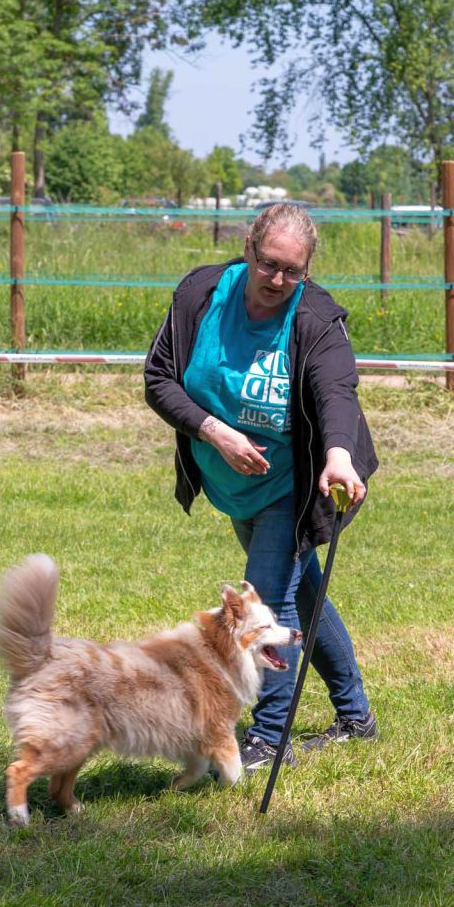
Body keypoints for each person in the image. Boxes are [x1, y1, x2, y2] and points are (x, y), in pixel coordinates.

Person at [144, 202, 379, 772]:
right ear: (248, 247)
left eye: (292, 271)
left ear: (308, 270)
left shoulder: (316, 319)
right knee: (303, 594)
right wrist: (216, 433)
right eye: (269, 264)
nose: (278, 280)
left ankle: (269, 738)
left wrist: (340, 456)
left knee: (267, 601)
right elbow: (159, 380)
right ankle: (356, 718)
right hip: (230, 476)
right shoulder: (201, 295)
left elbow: (336, 393)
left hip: (293, 483)